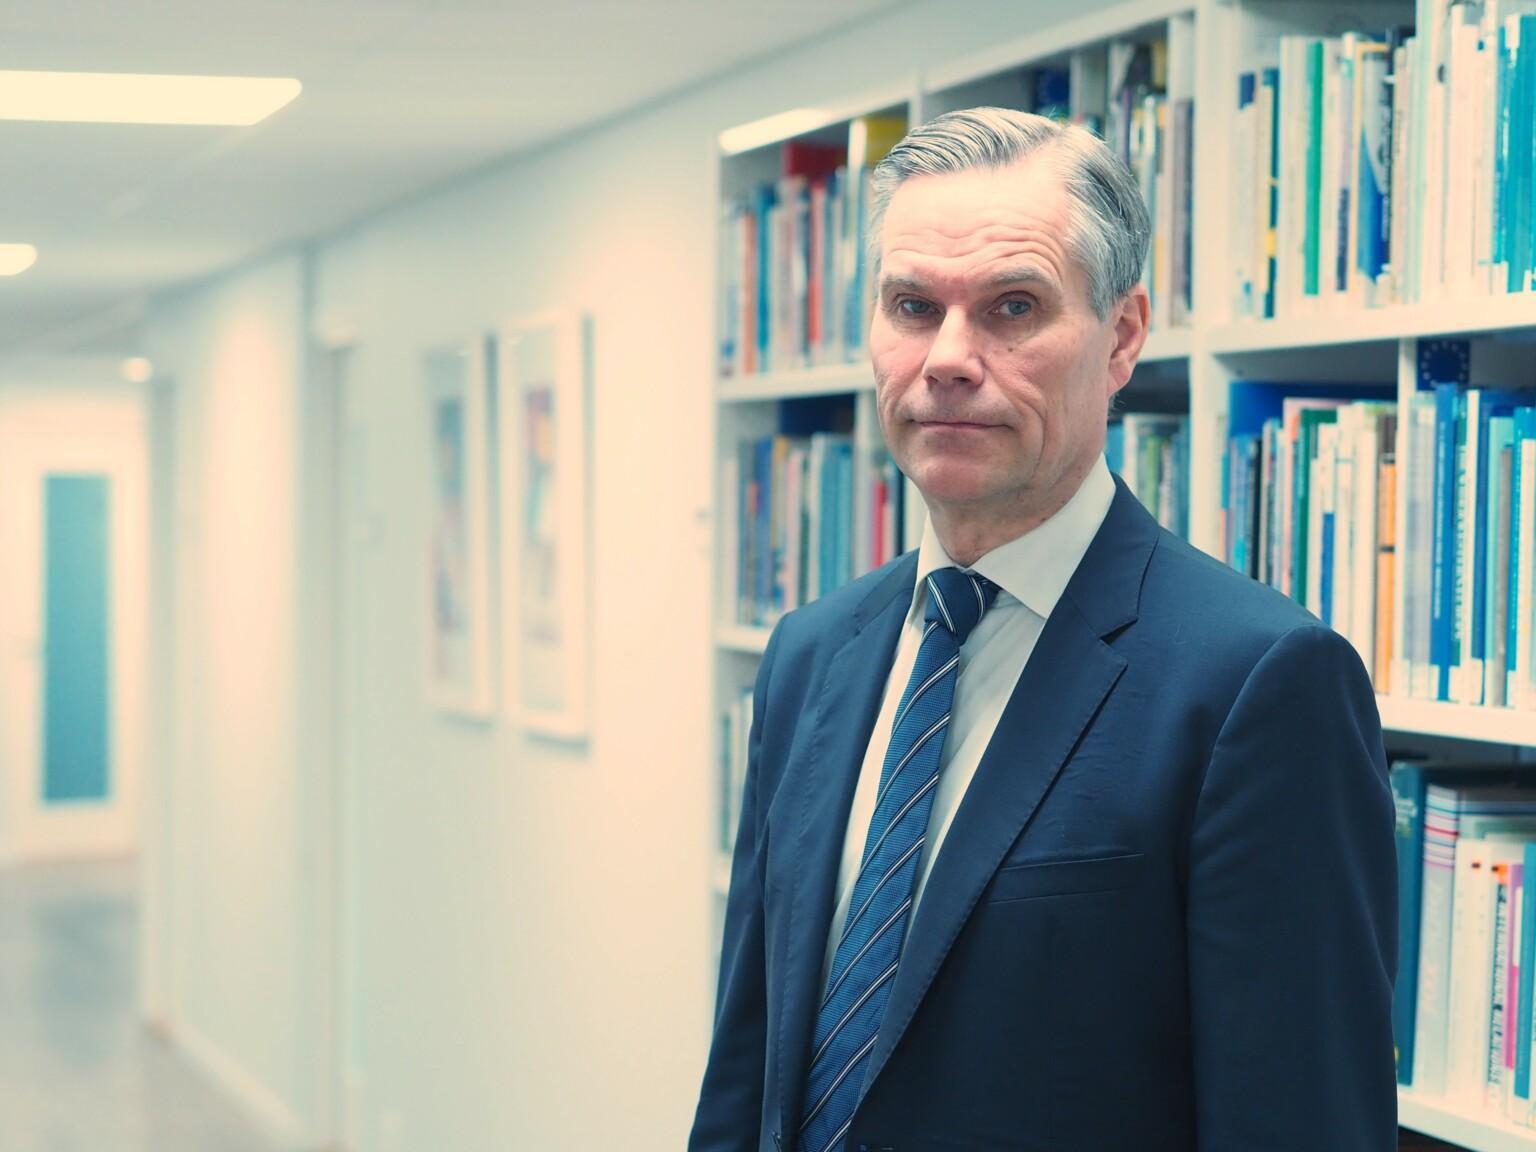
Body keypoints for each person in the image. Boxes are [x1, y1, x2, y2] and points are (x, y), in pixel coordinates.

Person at [689, 107, 1396, 1152]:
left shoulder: (1257, 682)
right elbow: (749, 1075)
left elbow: (1300, 1123)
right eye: (912, 306)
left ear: (1121, 337)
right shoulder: (811, 656)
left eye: (1012, 307)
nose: (949, 358)